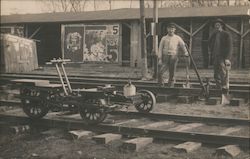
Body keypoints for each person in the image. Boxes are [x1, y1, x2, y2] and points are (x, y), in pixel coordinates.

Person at [158, 22, 189, 87]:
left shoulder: (177, 38)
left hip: (174, 57)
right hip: (165, 57)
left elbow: (183, 46)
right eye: (169, 28)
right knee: (160, 72)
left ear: (174, 30)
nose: (171, 30)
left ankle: (171, 86)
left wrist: (186, 53)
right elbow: (160, 48)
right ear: (167, 29)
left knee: (172, 73)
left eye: (172, 29)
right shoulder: (164, 38)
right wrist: (160, 59)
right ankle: (161, 85)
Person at [208, 18, 232, 95]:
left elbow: (230, 47)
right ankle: (218, 87)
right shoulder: (214, 35)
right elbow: (209, 43)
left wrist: (227, 58)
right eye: (215, 25)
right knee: (216, 72)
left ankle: (224, 87)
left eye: (218, 25)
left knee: (223, 72)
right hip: (215, 56)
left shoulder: (226, 34)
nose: (217, 26)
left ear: (221, 25)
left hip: (223, 56)